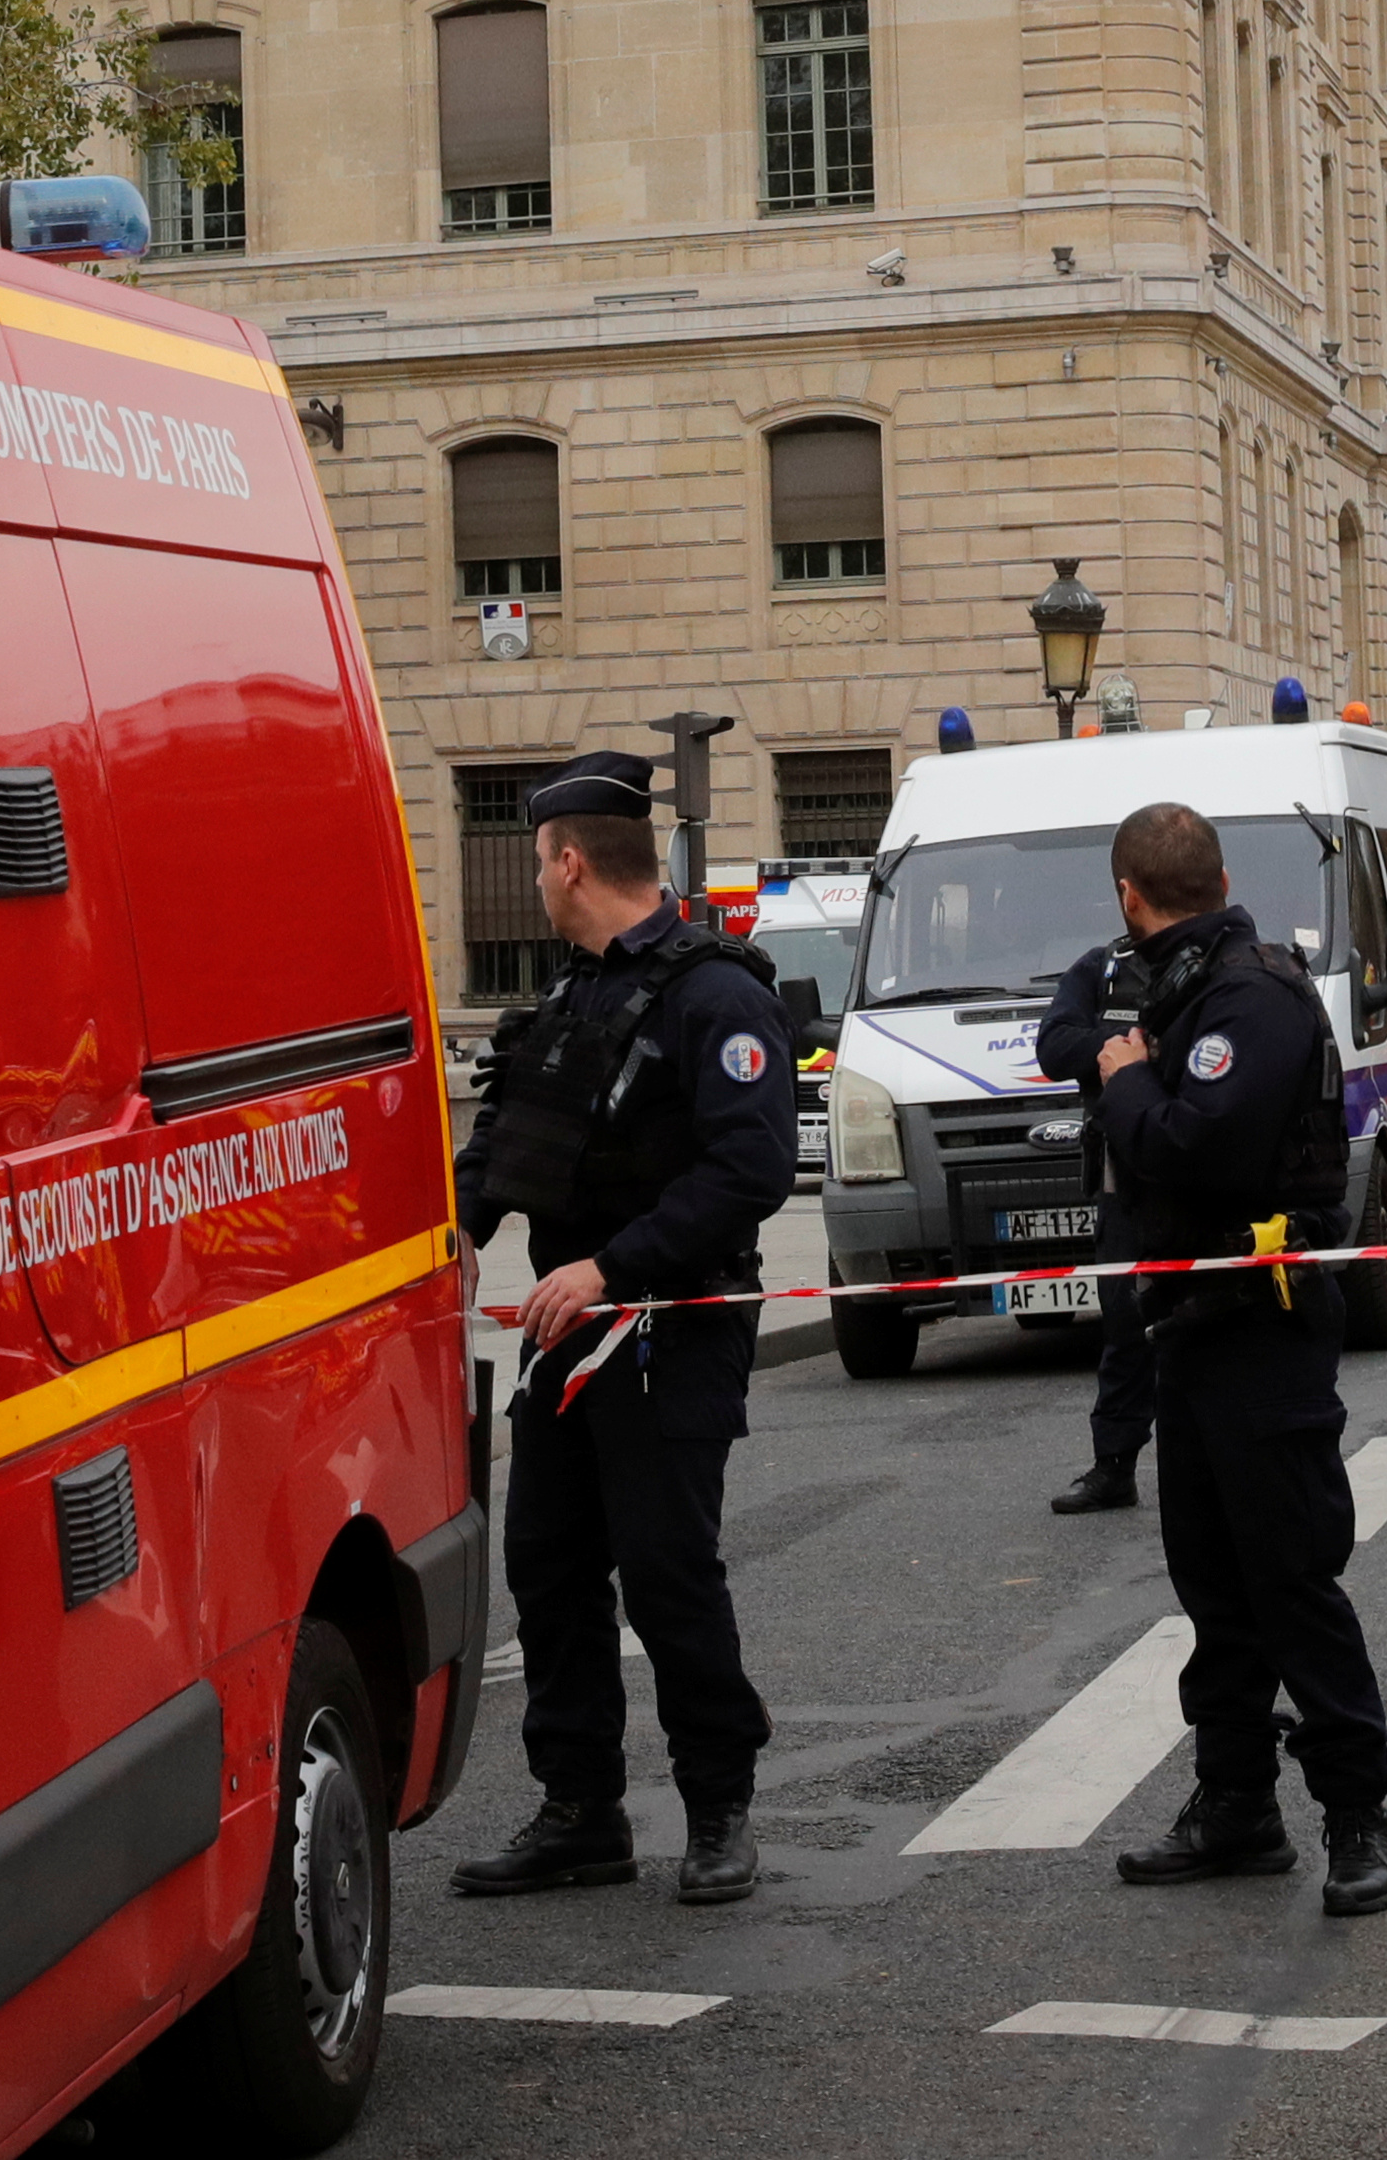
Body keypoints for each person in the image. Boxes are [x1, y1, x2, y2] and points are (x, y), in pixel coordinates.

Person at [448, 749, 797, 1910]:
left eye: (539, 864)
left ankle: (717, 1807)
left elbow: (751, 1166)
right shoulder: (570, 993)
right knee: (547, 1567)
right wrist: (454, 1223)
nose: (538, 884)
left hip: (665, 1322)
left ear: (567, 859)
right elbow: (509, 1134)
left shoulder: (716, 992)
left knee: (666, 1572)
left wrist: (615, 1263)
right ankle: (581, 1810)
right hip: (568, 1329)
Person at [1087, 799, 1387, 1918]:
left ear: (1131, 890)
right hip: (1190, 1318)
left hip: (1262, 1316)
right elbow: (1061, 1039)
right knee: (1214, 1585)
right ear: (1216, 874)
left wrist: (1128, 1074)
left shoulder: (1250, 996)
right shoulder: (1168, 984)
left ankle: (1360, 1814)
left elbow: (1194, 1141)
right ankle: (1236, 1804)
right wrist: (1122, 1050)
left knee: (1289, 1578)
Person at [1032, 935, 1151, 1513]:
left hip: (1208, 1169)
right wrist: (1127, 1046)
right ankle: (1115, 1464)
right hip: (1124, 1178)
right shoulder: (1106, 969)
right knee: (1125, 1316)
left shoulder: (1225, 962)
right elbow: (1054, 1047)